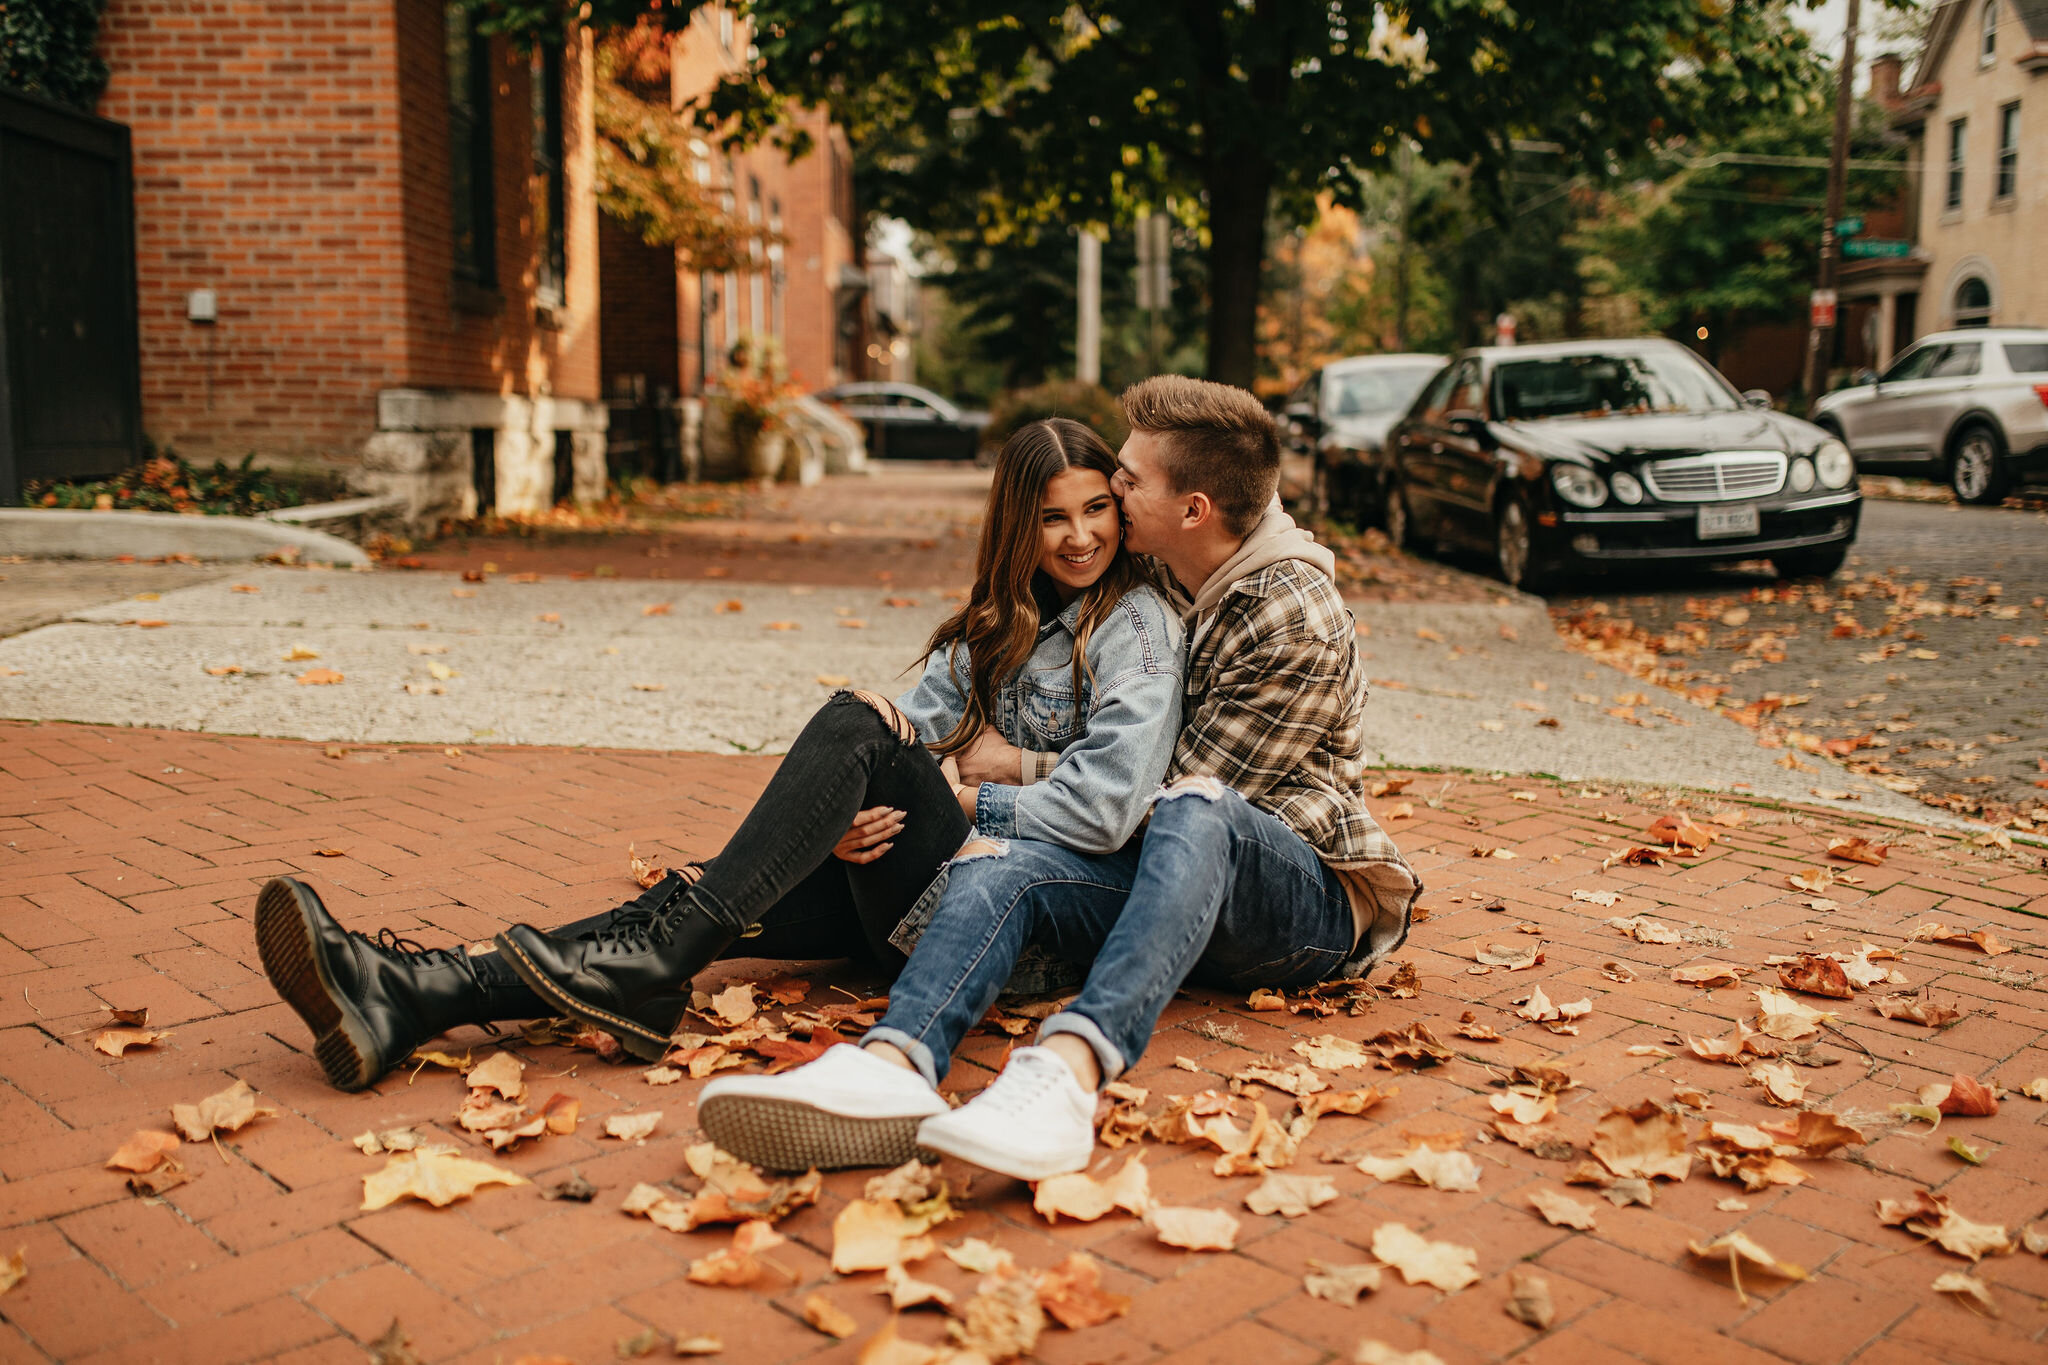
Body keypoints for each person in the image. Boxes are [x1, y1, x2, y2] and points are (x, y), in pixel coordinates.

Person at [254, 419, 1184, 1092]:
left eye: (1098, 508)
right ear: (1019, 524)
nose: (1080, 536)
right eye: (1054, 516)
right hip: (915, 887)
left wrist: (971, 791)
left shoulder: (1136, 628)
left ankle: (655, 963)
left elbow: (1106, 807)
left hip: (1014, 925)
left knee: (851, 725)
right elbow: (909, 737)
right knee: (693, 893)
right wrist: (846, 830)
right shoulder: (994, 621)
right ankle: (412, 996)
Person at [694, 376, 1421, 1179]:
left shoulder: (1290, 616)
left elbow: (1151, 800)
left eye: (1131, 479)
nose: (1113, 487)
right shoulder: (1178, 571)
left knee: (1192, 805)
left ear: (1194, 510)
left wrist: (994, 781)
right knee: (1002, 862)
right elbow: (1108, 767)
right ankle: (894, 1065)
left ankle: (1067, 1073)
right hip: (1167, 883)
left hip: (1294, 900)